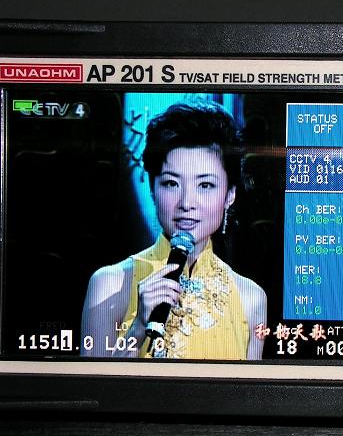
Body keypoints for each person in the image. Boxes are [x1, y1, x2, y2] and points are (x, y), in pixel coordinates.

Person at [80, 101, 266, 359]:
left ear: (229, 195)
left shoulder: (251, 299)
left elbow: (250, 387)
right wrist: (138, 329)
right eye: (171, 183)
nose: (186, 203)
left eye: (205, 185)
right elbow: (94, 383)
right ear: (153, 189)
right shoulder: (109, 284)